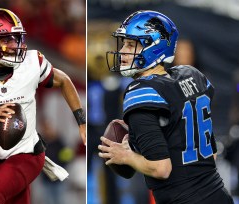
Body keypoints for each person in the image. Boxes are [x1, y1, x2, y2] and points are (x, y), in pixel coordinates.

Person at [0, 8, 86, 204]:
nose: (15, 45)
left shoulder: (31, 63)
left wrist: (81, 121)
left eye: (17, 38)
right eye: (6, 40)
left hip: (29, 154)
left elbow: (64, 80)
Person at [98, 10, 234, 204]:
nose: (122, 52)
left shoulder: (141, 91)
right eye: (123, 44)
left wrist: (127, 156)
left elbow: (161, 169)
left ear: (154, 46)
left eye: (130, 44)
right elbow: (210, 153)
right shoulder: (192, 75)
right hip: (219, 194)